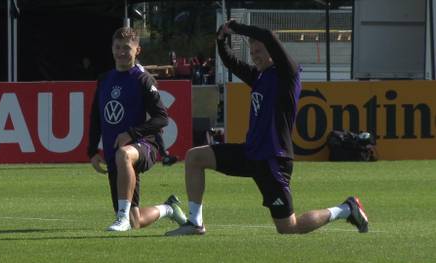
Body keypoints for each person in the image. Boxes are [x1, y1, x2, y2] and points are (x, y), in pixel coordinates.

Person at [166, 20, 369, 236]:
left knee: (289, 227)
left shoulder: (287, 74)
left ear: (271, 51)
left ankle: (346, 209)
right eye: (252, 51)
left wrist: (235, 27)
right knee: (195, 157)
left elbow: (269, 36)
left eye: (259, 51)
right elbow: (231, 63)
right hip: (251, 153)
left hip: (273, 159)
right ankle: (195, 222)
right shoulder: (260, 76)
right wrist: (221, 39)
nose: (254, 55)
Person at [87, 26, 187, 232]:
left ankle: (120, 217)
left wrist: (131, 134)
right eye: (118, 47)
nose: (122, 52)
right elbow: (96, 117)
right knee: (136, 221)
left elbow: (162, 118)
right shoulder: (104, 79)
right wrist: (92, 152)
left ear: (137, 51)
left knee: (124, 154)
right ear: (112, 49)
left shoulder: (143, 79)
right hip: (114, 152)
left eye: (127, 48)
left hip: (144, 145)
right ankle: (168, 208)